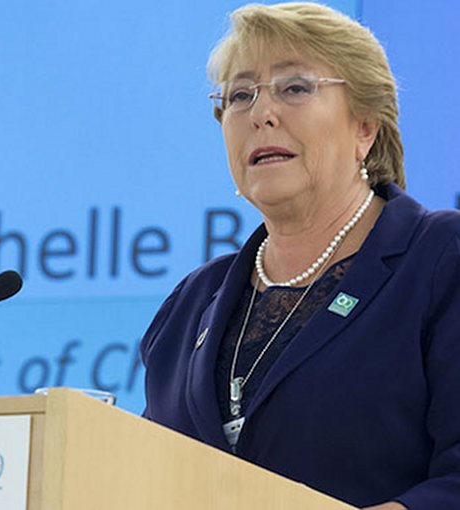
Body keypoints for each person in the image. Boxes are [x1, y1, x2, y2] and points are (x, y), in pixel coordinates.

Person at [140, 3, 460, 509]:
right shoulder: (190, 304)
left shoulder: (442, 259)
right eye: (240, 95)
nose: (260, 113)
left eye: (294, 87)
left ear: (365, 127)